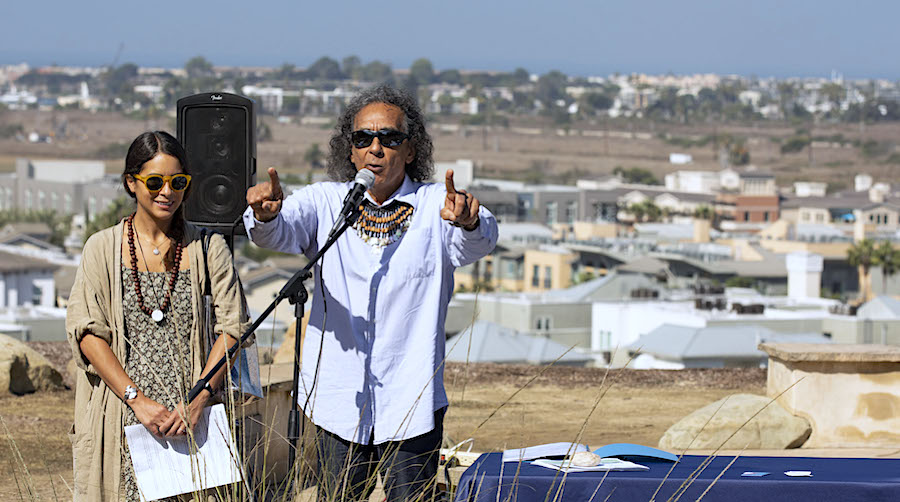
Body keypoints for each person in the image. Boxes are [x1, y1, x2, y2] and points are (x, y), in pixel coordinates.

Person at [244, 85, 498, 501]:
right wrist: (264, 214)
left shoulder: (437, 205)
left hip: (412, 399)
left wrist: (469, 221)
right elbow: (278, 232)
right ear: (351, 151)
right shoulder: (327, 202)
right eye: (363, 138)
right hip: (337, 399)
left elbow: (478, 239)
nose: (375, 148)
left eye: (389, 138)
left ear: (411, 151)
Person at [66, 131, 251, 501]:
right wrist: (138, 400)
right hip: (122, 418)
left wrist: (197, 400)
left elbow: (233, 328)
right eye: (155, 182)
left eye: (178, 182)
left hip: (191, 423)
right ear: (130, 183)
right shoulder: (101, 248)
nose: (167, 192)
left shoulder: (207, 248)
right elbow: (88, 334)